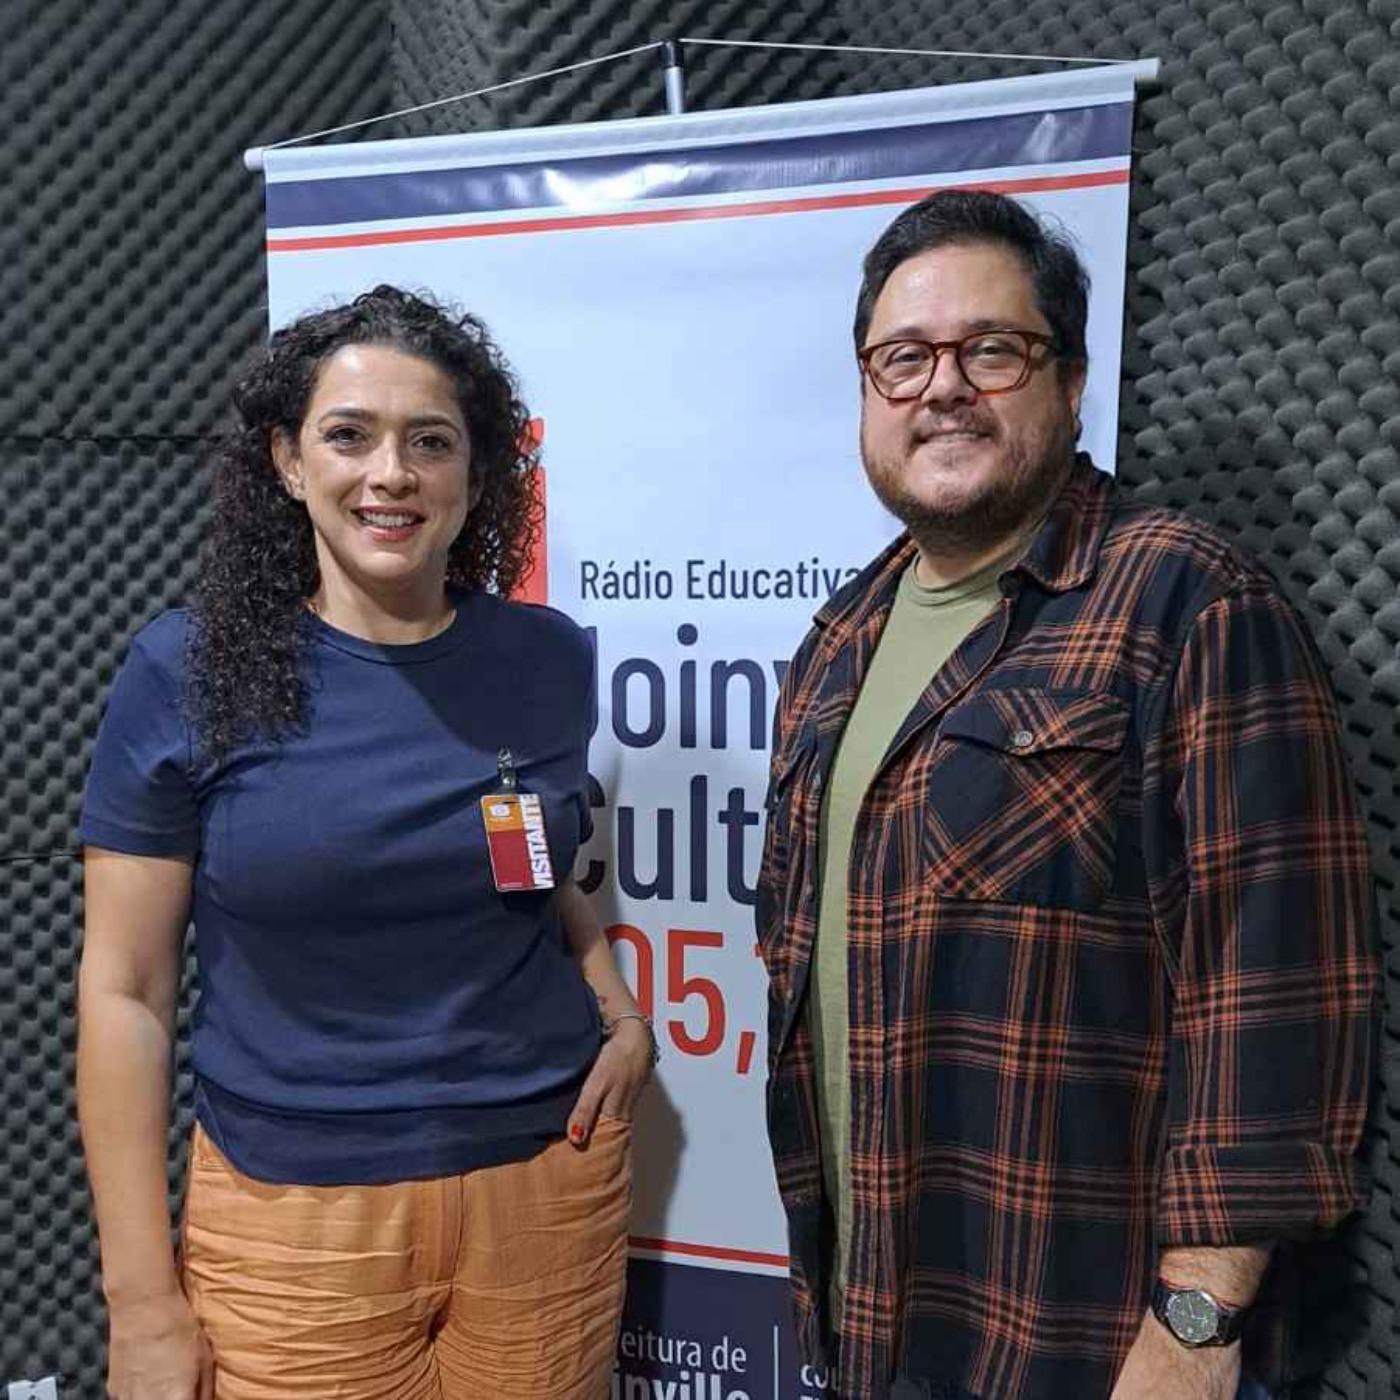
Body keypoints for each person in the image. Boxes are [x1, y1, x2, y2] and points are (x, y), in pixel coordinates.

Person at [756, 190, 1378, 1400]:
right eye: (903, 358)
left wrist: (1194, 1324)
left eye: (990, 349)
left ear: (1070, 378)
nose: (941, 386)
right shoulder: (838, 637)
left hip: (1089, 1341)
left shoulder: (1181, 602)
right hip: (875, 1319)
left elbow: (1273, 986)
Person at [77, 284, 654, 1400]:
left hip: (546, 1195)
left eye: (428, 442)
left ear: (475, 477)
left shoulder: (543, 661)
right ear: (290, 462)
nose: (389, 473)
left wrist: (617, 1009)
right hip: (299, 1226)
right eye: (350, 435)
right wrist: (141, 1298)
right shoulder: (187, 671)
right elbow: (125, 991)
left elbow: (531, 866)